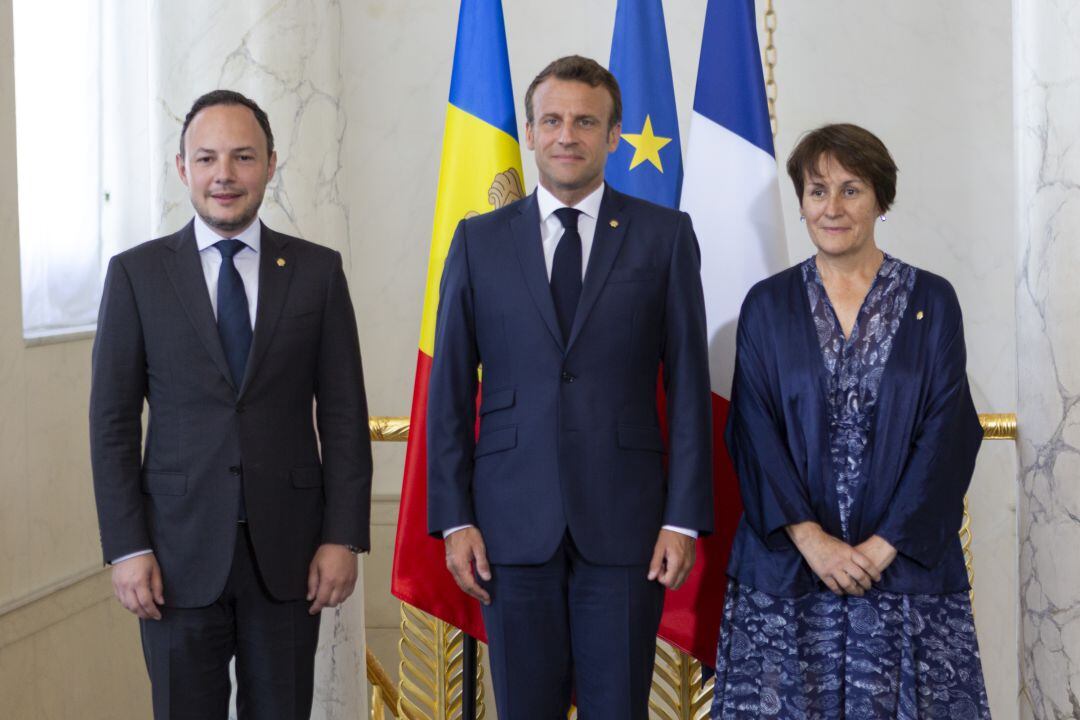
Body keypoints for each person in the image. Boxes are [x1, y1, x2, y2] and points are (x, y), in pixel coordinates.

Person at [426, 55, 713, 718]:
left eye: (585, 122)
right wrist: (455, 519)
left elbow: (689, 387)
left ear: (613, 136)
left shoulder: (664, 236)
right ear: (528, 132)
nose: (567, 135)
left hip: (627, 526)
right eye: (552, 120)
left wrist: (681, 519)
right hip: (508, 528)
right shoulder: (477, 241)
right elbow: (449, 392)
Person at [89, 90, 372, 720]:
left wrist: (343, 537)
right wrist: (127, 547)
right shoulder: (136, 275)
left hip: (291, 556)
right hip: (173, 556)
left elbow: (345, 417)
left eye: (243, 157)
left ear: (270, 164)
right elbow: (111, 425)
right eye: (207, 158)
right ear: (182, 168)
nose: (225, 174)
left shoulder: (317, 273)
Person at [712, 123, 991, 718]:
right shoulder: (766, 305)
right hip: (789, 574)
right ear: (801, 203)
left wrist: (882, 547)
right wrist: (814, 543)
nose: (832, 208)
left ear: (881, 199)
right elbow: (754, 433)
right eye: (817, 191)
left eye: (851, 189)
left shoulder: (933, 301)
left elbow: (947, 433)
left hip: (901, 574)